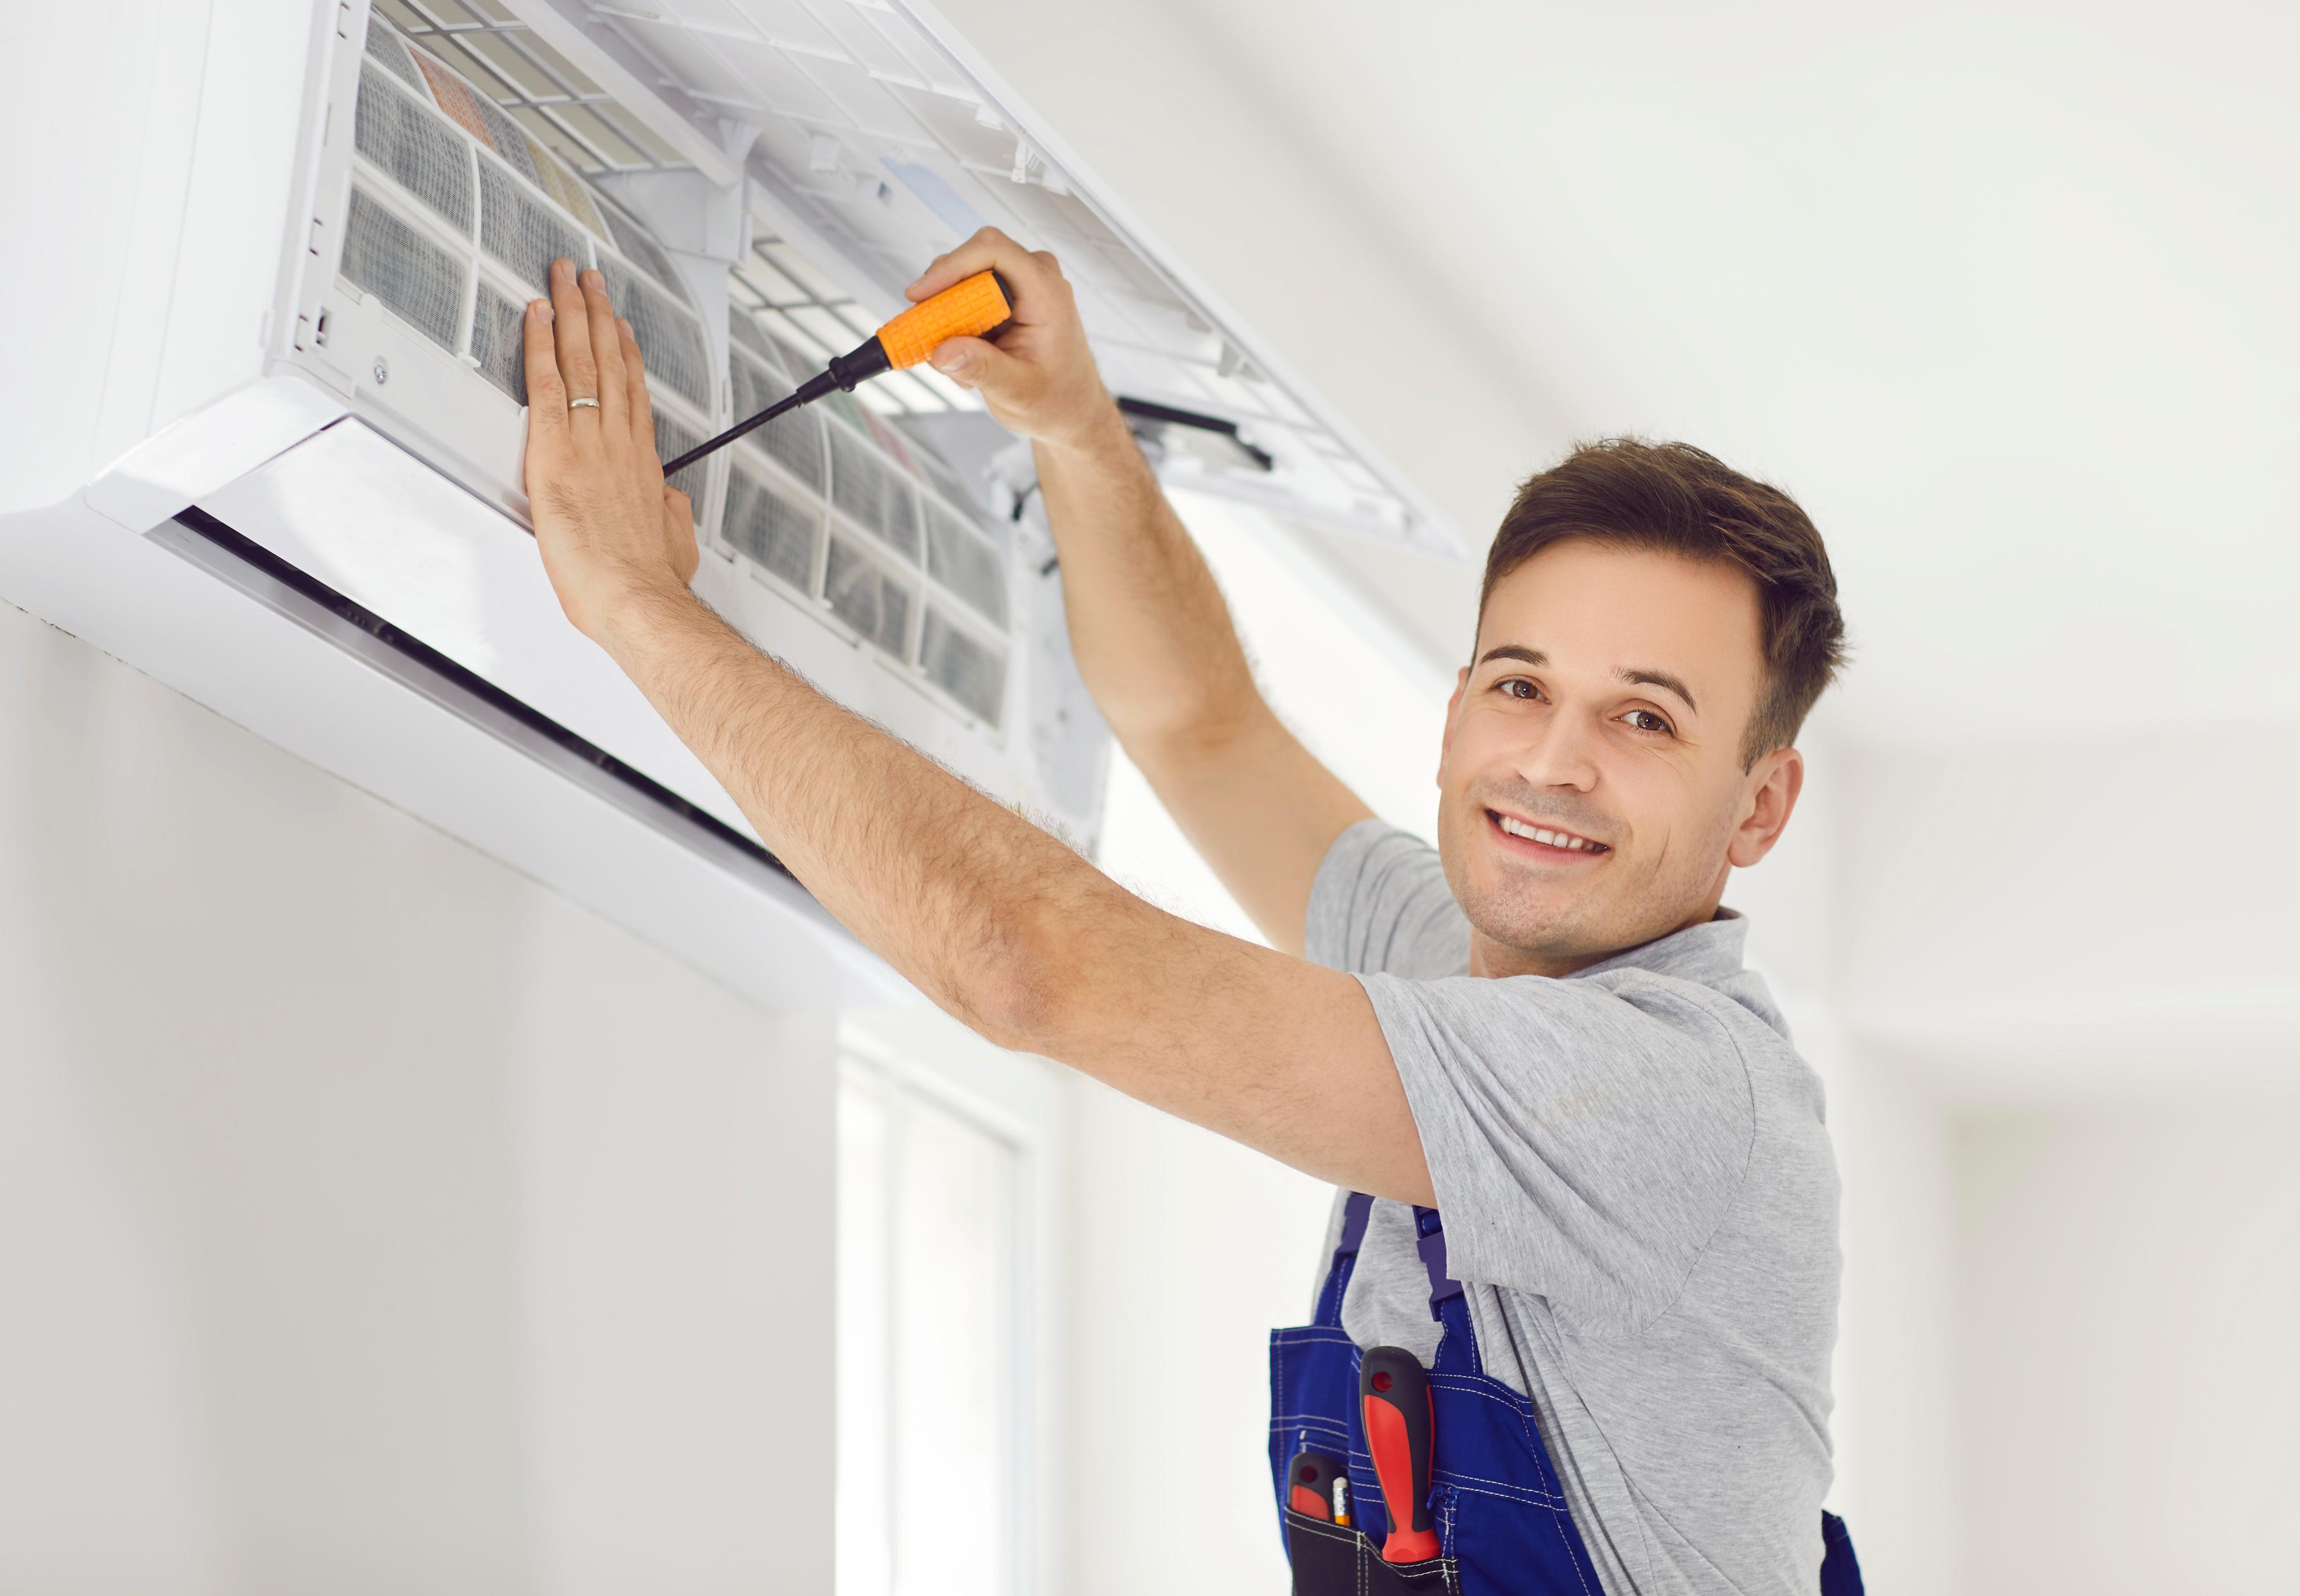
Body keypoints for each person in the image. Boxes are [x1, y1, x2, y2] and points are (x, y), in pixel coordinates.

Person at [516, 226, 1851, 1595]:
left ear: (1758, 805)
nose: (1553, 761)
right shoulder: (1461, 966)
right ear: (1456, 714)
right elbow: (1201, 729)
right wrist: (1077, 424)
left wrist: (628, 600)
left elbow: (1027, 964)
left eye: (1643, 717)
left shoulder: (1669, 1093)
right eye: (1520, 685)